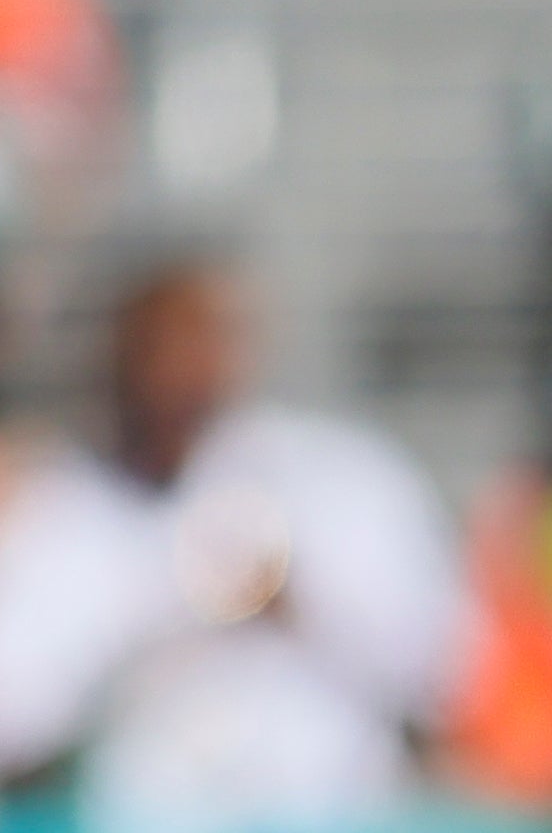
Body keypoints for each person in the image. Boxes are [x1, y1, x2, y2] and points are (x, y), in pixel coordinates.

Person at [0, 259, 465, 829]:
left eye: (195, 344)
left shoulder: (335, 478)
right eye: (150, 350)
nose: (171, 375)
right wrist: (159, 611)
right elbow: (16, 712)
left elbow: (441, 667)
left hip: (333, 810)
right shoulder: (67, 511)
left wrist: (294, 601)